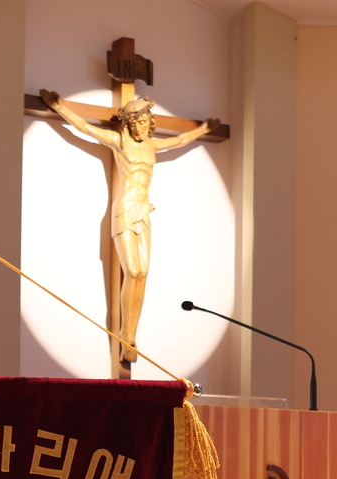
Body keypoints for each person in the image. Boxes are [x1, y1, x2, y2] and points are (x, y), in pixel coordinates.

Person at [39, 90, 218, 378]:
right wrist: (60, 106)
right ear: (128, 124)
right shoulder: (120, 142)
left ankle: (131, 332)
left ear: (149, 123)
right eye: (135, 123)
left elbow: (180, 140)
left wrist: (203, 129)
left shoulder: (152, 146)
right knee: (132, 270)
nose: (140, 128)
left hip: (145, 211)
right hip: (124, 209)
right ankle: (126, 334)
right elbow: (84, 127)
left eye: (144, 123)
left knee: (143, 272)